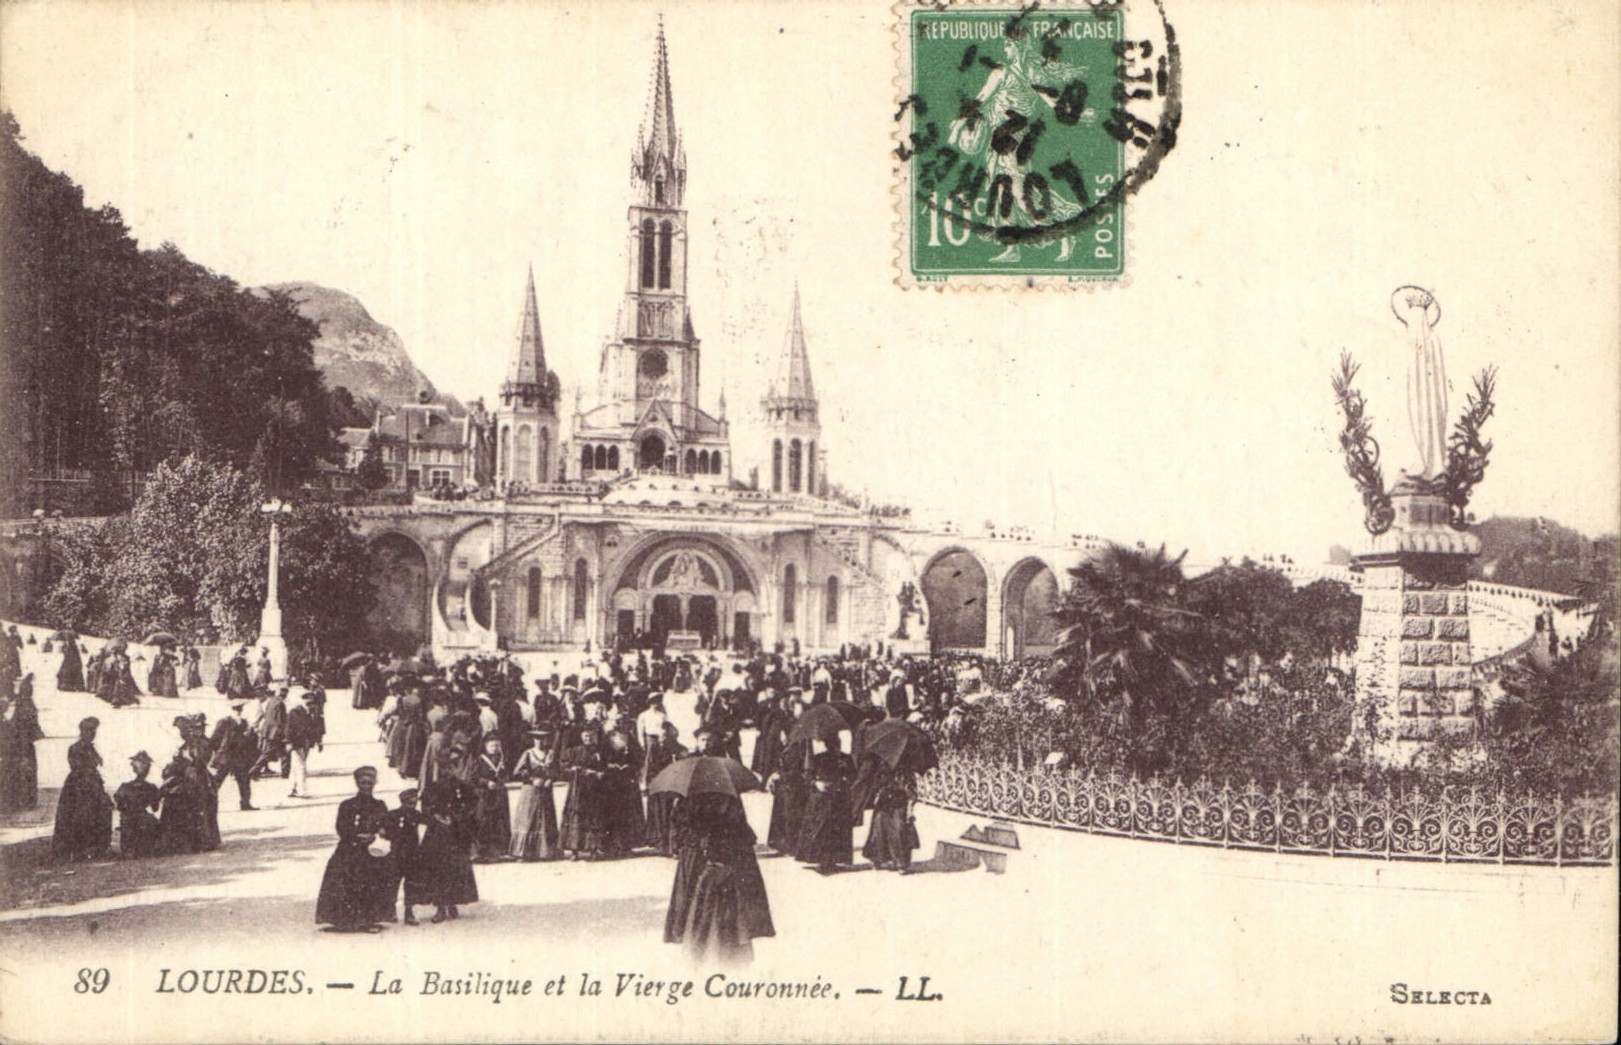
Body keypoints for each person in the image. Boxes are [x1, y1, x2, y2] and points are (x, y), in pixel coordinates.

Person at [664, 792, 775, 965]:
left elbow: (739, 830)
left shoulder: (699, 796)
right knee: (705, 903)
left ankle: (714, 951)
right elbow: (680, 830)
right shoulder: (721, 795)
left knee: (718, 903)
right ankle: (709, 951)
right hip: (701, 857)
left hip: (717, 857)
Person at [315, 767, 394, 933]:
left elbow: (388, 827)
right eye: (363, 783)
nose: (366, 786)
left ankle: (369, 920)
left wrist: (378, 833)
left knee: (373, 880)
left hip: (372, 850)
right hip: (350, 848)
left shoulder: (380, 805)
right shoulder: (347, 805)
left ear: (375, 783)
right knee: (344, 877)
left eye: (369, 783)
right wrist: (356, 836)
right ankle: (344, 920)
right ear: (357, 783)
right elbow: (341, 827)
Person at [418, 776, 479, 923]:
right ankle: (440, 907)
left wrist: (459, 817)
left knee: (456, 867)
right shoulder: (432, 785)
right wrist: (435, 817)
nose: (447, 770)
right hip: (437, 832)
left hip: (456, 832)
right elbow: (425, 806)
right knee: (437, 867)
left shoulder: (462, 785)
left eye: (451, 766)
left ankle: (452, 902)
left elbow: (472, 803)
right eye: (444, 767)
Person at [52, 717, 112, 861]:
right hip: (78, 785)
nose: (92, 734)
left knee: (99, 811)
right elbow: (77, 767)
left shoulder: (90, 747)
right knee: (79, 815)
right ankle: (77, 849)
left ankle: (95, 847)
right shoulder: (75, 748)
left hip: (91, 783)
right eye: (89, 731)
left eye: (93, 731)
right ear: (82, 731)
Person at [796, 734, 855, 873]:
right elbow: (808, 776)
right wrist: (816, 783)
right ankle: (824, 860)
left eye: (836, 743)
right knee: (823, 830)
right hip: (824, 798)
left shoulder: (845, 758)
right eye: (832, 743)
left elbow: (853, 776)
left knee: (836, 830)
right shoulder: (820, 758)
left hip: (839, 797)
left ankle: (832, 860)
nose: (834, 746)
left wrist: (845, 782)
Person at [161, 715, 220, 853]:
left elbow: (201, 762)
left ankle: (204, 840)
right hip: (186, 777)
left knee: (201, 807)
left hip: (199, 778)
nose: (195, 731)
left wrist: (187, 759)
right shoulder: (186, 744)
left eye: (199, 728)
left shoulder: (203, 743)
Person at [856, 759, 919, 872]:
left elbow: (911, 791)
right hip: (883, 802)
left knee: (899, 830)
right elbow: (874, 785)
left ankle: (901, 864)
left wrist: (910, 809)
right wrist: (877, 793)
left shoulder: (906, 770)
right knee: (878, 830)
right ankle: (877, 860)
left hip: (899, 803)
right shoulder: (881, 767)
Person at [508, 731, 560, 862]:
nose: (540, 742)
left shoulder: (551, 754)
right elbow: (517, 771)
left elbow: (557, 770)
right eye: (537, 739)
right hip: (530, 790)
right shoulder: (528, 754)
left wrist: (550, 779)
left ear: (547, 740)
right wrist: (532, 779)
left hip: (545, 790)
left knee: (545, 818)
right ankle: (524, 853)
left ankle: (545, 853)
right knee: (528, 818)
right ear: (533, 740)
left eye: (543, 739)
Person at [560, 726, 607, 860]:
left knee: (593, 817)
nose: (588, 739)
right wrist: (578, 770)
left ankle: (593, 849)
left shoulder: (599, 752)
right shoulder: (575, 751)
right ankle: (574, 851)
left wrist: (600, 773)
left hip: (594, 789)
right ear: (582, 737)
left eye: (591, 736)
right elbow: (564, 768)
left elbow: (604, 767)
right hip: (578, 789)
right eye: (586, 736)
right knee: (577, 817)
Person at [0, 675, 44, 813]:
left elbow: (21, 728)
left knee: (19, 772)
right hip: (23, 746)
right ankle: (25, 801)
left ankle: (19, 801)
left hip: (21, 746)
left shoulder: (24, 706)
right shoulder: (28, 705)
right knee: (24, 772)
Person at [384, 788, 426, 925]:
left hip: (412, 855)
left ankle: (409, 912)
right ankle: (391, 911)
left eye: (414, 803)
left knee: (411, 884)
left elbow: (429, 822)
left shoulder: (417, 815)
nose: (411, 806)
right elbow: (386, 832)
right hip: (396, 854)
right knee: (393, 883)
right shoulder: (393, 815)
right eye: (409, 803)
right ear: (402, 802)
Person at [210, 699, 259, 811]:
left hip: (239, 757)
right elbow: (214, 739)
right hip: (226, 757)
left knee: (244, 780)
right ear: (232, 709)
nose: (238, 711)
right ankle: (209, 804)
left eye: (240, 708)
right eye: (236, 709)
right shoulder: (224, 722)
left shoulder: (244, 722)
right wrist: (219, 753)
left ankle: (245, 803)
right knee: (217, 781)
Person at [469, 735, 511, 862]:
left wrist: (503, 780)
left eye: (497, 745)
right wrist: (486, 782)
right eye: (491, 746)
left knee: (500, 821)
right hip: (485, 796)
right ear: (486, 747)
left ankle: (500, 851)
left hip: (499, 795)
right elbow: (473, 778)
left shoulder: (503, 760)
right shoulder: (480, 760)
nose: (494, 748)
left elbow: (507, 775)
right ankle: (482, 851)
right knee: (484, 822)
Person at [114, 751, 163, 858]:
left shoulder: (125, 787)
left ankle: (132, 849)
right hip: (140, 819)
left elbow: (120, 806)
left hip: (128, 819)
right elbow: (155, 808)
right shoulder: (151, 787)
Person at [285, 690, 325, 798]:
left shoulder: (315, 712)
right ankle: (302, 791)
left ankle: (292, 789)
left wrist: (319, 741)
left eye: (312, 700)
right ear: (303, 700)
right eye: (307, 700)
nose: (310, 703)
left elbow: (319, 728)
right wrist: (288, 742)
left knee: (295, 767)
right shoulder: (295, 712)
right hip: (296, 742)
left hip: (307, 742)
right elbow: (288, 728)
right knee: (301, 767)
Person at [250, 686, 290, 779]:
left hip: (269, 732)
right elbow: (280, 720)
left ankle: (285, 773)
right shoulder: (279, 703)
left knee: (282, 753)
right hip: (276, 732)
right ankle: (253, 771)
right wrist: (284, 733)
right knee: (270, 753)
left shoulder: (271, 702)